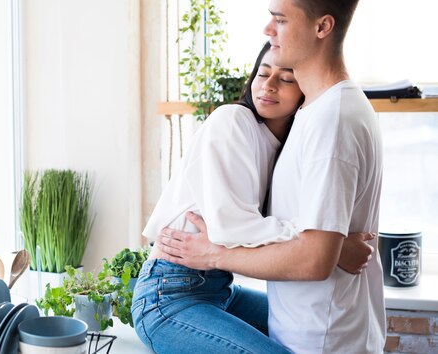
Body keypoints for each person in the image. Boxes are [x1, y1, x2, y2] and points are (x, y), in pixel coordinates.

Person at [156, 0, 386, 354]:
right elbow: (316, 240)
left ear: (322, 26)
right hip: (309, 326)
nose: (267, 30)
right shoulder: (318, 113)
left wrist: (215, 253)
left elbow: (314, 259)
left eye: (280, 19)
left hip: (324, 338)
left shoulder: (332, 119)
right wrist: (331, 248)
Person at [132, 41, 371, 353]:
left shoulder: (287, 146)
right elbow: (232, 231)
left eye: (285, 79)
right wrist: (331, 245)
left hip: (220, 289)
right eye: (262, 74)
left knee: (302, 326)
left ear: (305, 90)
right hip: (170, 293)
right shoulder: (233, 121)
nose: (269, 86)